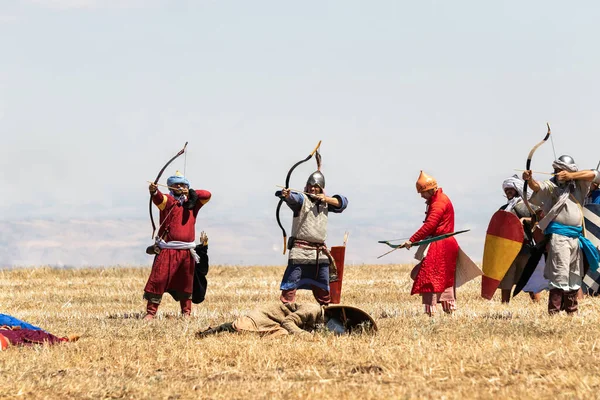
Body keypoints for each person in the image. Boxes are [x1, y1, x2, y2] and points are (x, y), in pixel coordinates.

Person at [523, 155, 600, 314]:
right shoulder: (552, 186)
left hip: (575, 238)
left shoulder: (579, 186)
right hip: (559, 237)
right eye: (556, 170)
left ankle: (571, 311)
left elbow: (595, 174)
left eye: (560, 170)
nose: (557, 173)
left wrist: (571, 176)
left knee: (574, 275)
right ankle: (554, 312)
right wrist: (529, 180)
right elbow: (537, 187)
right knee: (560, 274)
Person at [144, 171, 211, 320]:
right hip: (167, 249)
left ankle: (186, 313)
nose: (179, 187)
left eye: (182, 184)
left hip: (186, 251)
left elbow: (207, 194)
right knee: (159, 279)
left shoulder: (193, 204)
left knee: (186, 282)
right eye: (176, 185)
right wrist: (154, 191)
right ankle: (151, 312)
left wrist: (190, 192)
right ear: (170, 187)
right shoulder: (167, 201)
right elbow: (158, 197)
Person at [276, 170, 348, 305]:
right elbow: (293, 198)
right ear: (306, 186)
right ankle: (286, 312)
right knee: (290, 285)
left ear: (321, 188)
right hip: (300, 251)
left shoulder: (326, 203)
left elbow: (343, 203)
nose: (313, 189)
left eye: (316, 186)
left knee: (323, 286)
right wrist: (287, 195)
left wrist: (325, 199)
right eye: (310, 186)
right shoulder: (302, 200)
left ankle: (325, 315)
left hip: (319, 253)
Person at [402, 171, 459, 316]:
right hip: (443, 244)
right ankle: (448, 309)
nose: (421, 196)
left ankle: (432, 312)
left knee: (429, 278)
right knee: (443, 278)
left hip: (441, 245)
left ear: (430, 190)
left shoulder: (439, 203)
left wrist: (412, 240)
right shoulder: (437, 200)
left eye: (423, 192)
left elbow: (430, 226)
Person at [196, 303, 376, 338]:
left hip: (274, 323)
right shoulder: (313, 311)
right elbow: (288, 323)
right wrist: (305, 336)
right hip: (264, 318)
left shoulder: (320, 322)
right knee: (236, 328)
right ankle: (211, 332)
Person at [497, 175, 538, 303]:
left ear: (517, 189)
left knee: (528, 277)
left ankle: (536, 303)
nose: (508, 191)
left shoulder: (525, 205)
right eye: (507, 189)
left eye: (511, 189)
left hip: (524, 247)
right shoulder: (504, 209)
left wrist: (525, 219)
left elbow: (539, 219)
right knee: (506, 279)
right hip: (508, 250)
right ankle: (504, 304)